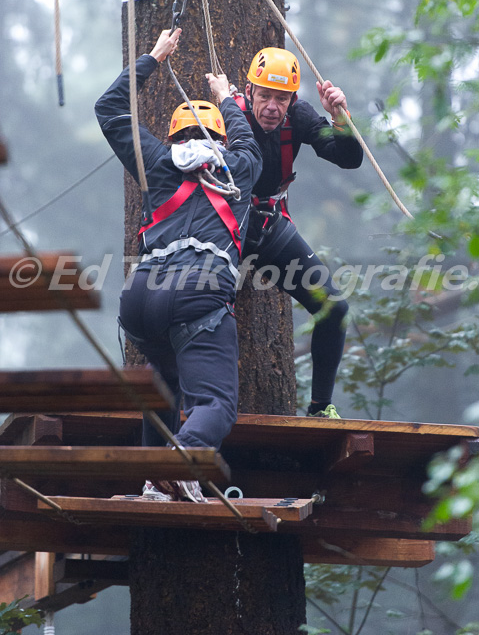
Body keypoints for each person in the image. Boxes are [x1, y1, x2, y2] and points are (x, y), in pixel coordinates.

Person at [95, 28, 262, 502]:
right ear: (223, 139)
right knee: (215, 403)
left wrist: (152, 57)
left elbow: (109, 110)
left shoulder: (156, 161)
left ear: (172, 136)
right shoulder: (240, 169)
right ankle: (180, 462)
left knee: (165, 386)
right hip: (198, 291)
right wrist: (227, 96)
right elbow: (248, 141)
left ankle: (155, 480)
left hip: (142, 297)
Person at [236, 47, 363, 418]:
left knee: (333, 308)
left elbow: (348, 158)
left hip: (269, 225)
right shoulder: (229, 112)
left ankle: (320, 408)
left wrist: (339, 118)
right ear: (248, 92)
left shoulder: (301, 115)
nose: (273, 107)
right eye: (264, 96)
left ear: (292, 98)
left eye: (281, 98)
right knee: (204, 310)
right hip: (227, 226)